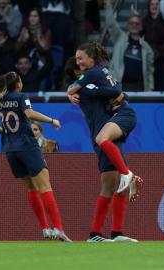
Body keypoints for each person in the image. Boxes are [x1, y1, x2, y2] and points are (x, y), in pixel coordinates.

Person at [0, 71, 72, 242]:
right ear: (19, 84)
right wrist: (52, 120)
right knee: (45, 187)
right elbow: (29, 114)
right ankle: (58, 229)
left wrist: (5, 133)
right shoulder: (21, 97)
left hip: (11, 150)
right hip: (27, 146)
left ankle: (45, 228)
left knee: (31, 188)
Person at [65, 46, 142, 242]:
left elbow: (115, 91)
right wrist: (119, 93)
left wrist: (121, 94)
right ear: (75, 74)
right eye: (78, 64)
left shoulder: (89, 85)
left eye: (82, 59)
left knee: (113, 186)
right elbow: (113, 90)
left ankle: (112, 233)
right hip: (102, 135)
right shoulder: (85, 89)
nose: (81, 66)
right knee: (111, 185)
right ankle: (97, 233)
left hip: (107, 133)